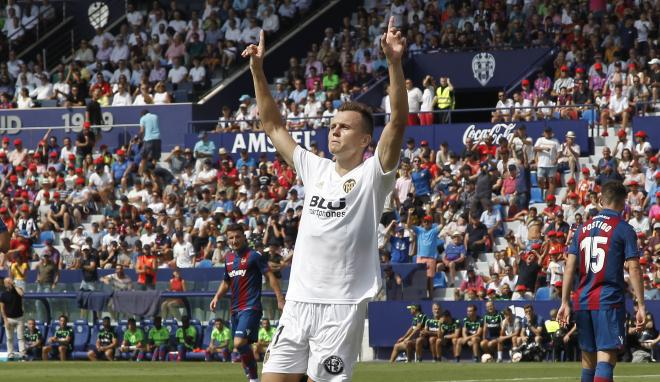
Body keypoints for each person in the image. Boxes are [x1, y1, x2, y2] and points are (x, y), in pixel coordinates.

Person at [242, 17, 408, 382]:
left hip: (341, 305)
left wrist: (394, 63)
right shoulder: (314, 168)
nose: (334, 130)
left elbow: (397, 122)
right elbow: (272, 126)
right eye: (332, 125)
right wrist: (257, 71)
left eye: (344, 126)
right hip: (299, 301)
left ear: (366, 141)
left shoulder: (373, 175)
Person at [558, 181, 646, 382]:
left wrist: (564, 302)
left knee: (588, 360)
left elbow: (569, 266)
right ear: (624, 204)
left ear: (600, 200)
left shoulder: (581, 229)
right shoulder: (624, 228)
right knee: (606, 358)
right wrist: (641, 305)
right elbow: (633, 267)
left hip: (582, 301)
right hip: (607, 300)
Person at [209, 224, 284, 382]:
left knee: (238, 342)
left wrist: (280, 298)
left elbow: (270, 276)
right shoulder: (229, 258)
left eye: (237, 236)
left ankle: (255, 377)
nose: (234, 240)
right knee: (242, 347)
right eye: (231, 237)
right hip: (235, 309)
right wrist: (216, 297)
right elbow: (226, 282)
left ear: (244, 237)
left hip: (251, 307)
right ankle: (253, 376)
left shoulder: (254, 256)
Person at [0, 277, 25, 360]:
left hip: (19, 318)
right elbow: (2, 308)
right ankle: (10, 354)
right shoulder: (3, 294)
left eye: (9, 282)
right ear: (5, 284)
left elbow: (21, 294)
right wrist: (5, 320)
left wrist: (14, 285)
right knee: (9, 338)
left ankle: (22, 354)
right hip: (9, 318)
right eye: (7, 282)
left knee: (20, 337)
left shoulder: (17, 290)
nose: (9, 284)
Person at [139, 109, 161, 174]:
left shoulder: (143, 118)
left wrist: (140, 138)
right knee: (155, 157)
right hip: (157, 138)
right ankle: (153, 172)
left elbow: (142, 131)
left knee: (144, 157)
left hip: (148, 139)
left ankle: (141, 173)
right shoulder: (155, 116)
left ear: (142, 114)